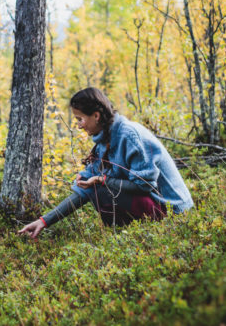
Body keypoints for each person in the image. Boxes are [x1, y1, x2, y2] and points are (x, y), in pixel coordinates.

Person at [18, 87, 193, 239]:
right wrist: (44, 221)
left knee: (100, 189)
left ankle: (135, 234)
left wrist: (103, 180)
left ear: (96, 116)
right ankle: (130, 234)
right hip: (155, 204)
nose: (78, 126)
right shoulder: (105, 140)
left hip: (173, 211)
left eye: (80, 119)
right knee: (95, 188)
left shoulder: (128, 135)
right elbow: (83, 191)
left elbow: (144, 185)